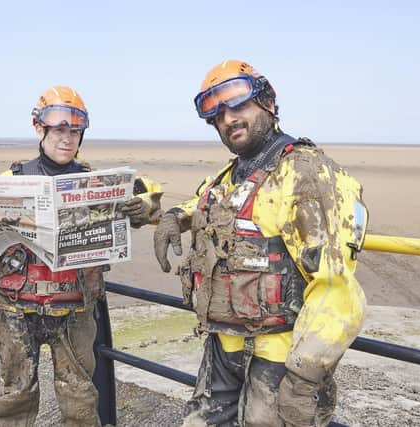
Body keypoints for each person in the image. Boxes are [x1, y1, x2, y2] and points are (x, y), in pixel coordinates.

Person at [153, 60, 368, 426]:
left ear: (267, 102)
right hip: (224, 346)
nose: (228, 118)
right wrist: (177, 215)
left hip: (279, 358)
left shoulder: (305, 174)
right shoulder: (235, 172)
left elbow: (336, 290)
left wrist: (304, 377)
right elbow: (216, 201)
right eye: (217, 113)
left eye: (238, 105)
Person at [0, 85, 161, 427]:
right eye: (59, 130)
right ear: (39, 129)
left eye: (75, 131)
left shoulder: (94, 181)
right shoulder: (11, 180)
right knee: (15, 396)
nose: (67, 139)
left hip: (75, 310)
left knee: (80, 398)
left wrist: (142, 206)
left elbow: (152, 197)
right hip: (13, 307)